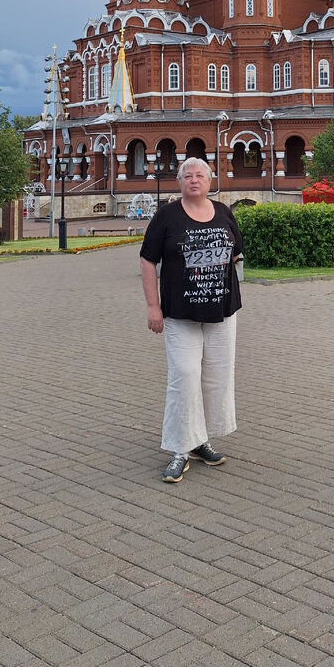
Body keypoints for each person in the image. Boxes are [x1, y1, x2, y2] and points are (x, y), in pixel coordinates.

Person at [139, 157, 243, 483]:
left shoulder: (224, 212)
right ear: (180, 182)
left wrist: (227, 287)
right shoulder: (166, 216)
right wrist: (153, 307)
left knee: (215, 378)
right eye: (188, 175)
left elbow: (237, 252)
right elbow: (146, 261)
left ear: (210, 181)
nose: (194, 179)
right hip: (179, 315)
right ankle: (179, 449)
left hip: (221, 314)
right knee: (184, 376)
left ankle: (200, 440)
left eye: (200, 175)